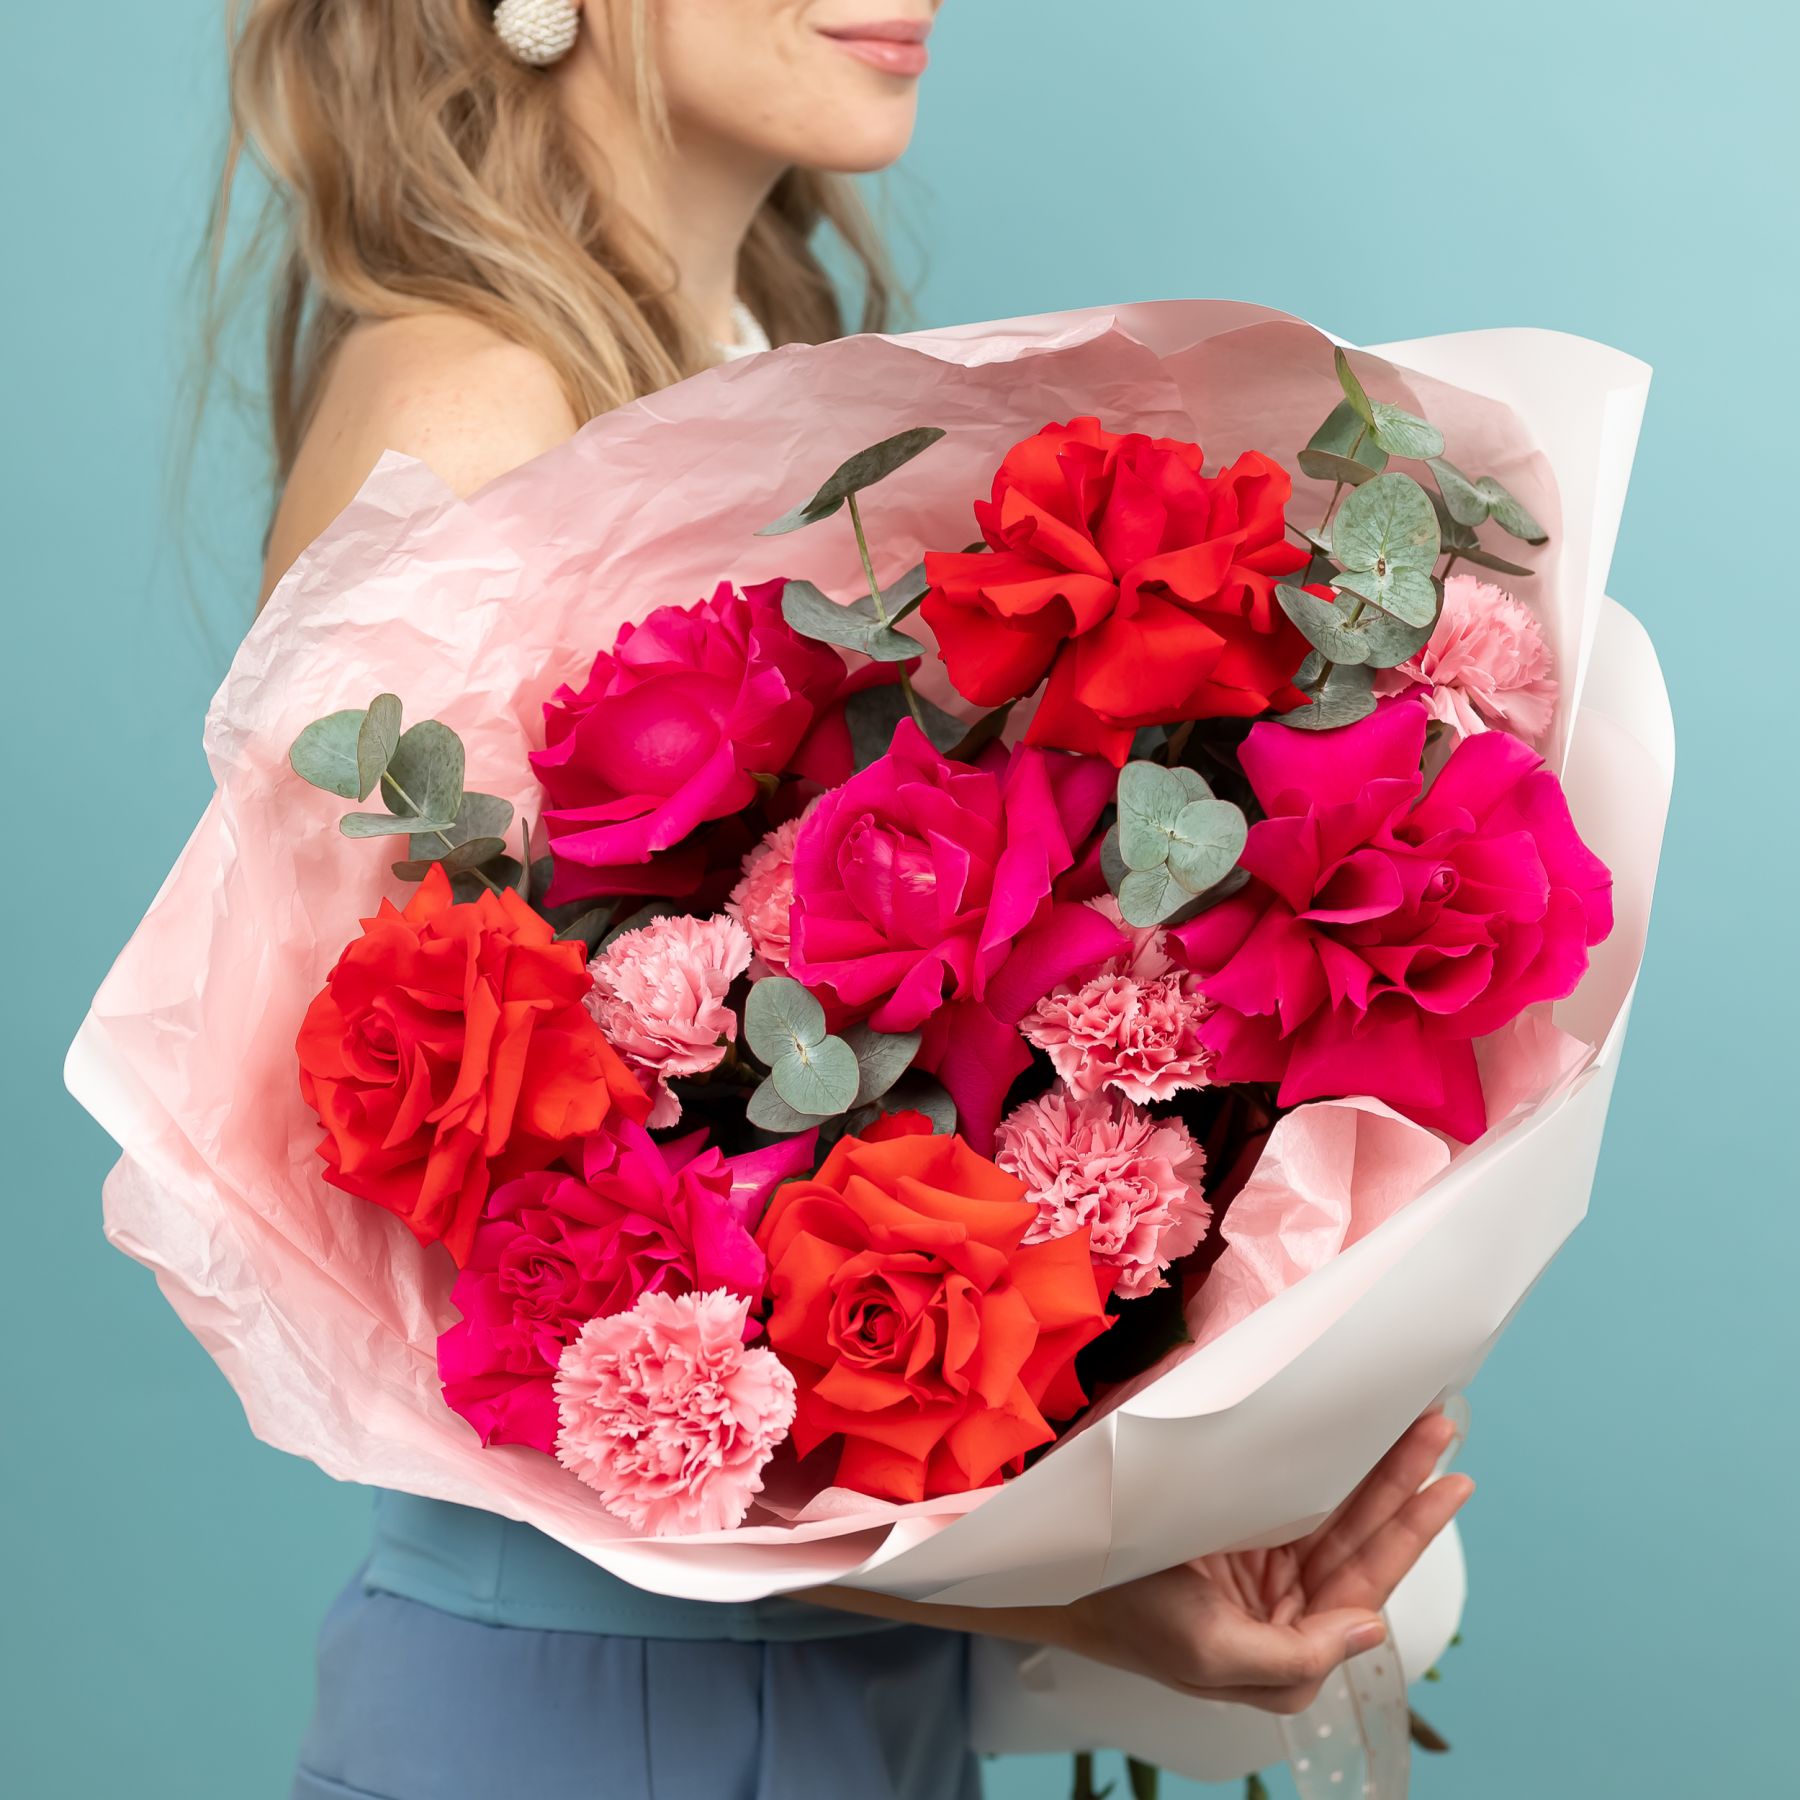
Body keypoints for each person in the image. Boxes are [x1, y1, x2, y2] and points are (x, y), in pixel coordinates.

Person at [210, 4, 1475, 1794]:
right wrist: (1067, 1589)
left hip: (847, 1698)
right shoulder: (471, 391)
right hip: (598, 1715)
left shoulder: (761, 357)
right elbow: (419, 1211)